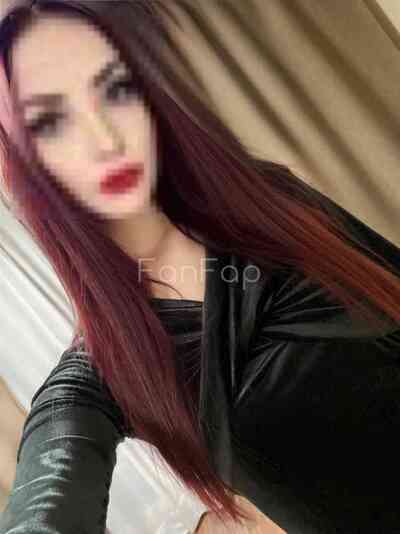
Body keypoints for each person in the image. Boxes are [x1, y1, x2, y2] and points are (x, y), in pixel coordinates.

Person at [0, 1, 400, 533]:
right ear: (24, 162)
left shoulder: (268, 197)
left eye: (115, 89)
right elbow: (49, 498)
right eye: (51, 122)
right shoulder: (107, 369)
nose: (105, 137)